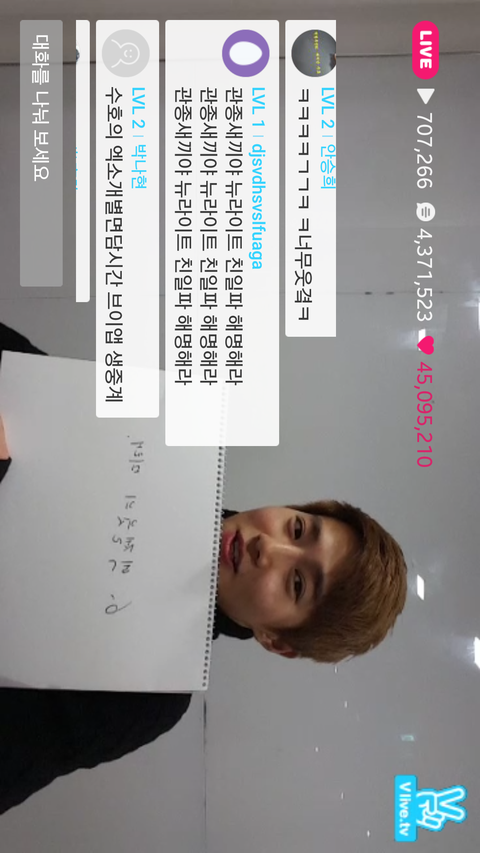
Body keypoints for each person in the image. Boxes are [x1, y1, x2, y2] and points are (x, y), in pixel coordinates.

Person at [0, 321, 408, 814]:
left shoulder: (148, 695)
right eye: (298, 528)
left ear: (276, 640)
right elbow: (22, 376)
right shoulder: (160, 439)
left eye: (297, 584)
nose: (268, 547)